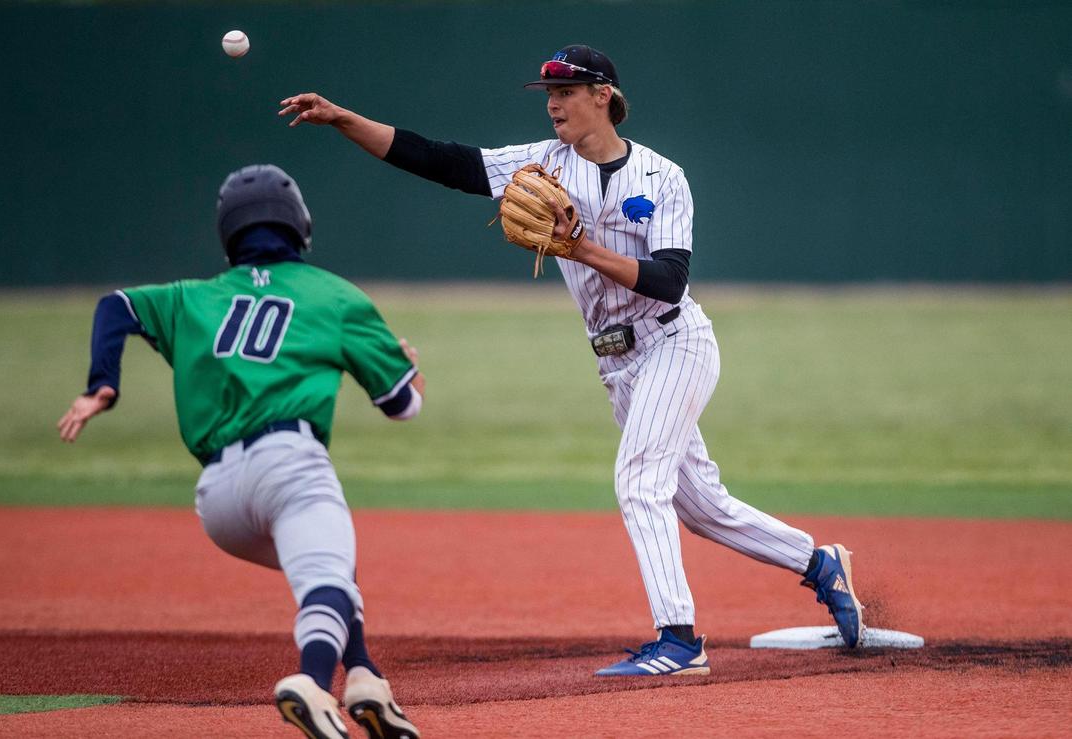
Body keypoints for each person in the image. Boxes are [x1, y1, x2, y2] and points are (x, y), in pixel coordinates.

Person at [277, 44, 866, 676]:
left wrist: (580, 247)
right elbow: (438, 160)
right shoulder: (541, 165)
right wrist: (344, 119)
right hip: (617, 363)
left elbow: (669, 280)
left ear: (604, 97)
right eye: (547, 92)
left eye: (567, 91)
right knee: (701, 508)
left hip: (674, 340)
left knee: (640, 483)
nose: (553, 102)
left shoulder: (663, 177)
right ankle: (818, 562)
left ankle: (679, 640)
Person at [57, 164, 423, 737]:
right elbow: (402, 405)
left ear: (228, 233)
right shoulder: (334, 295)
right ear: (301, 224)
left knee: (328, 568)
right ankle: (310, 681)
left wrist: (102, 383)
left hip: (218, 502)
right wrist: (409, 369)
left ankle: (366, 677)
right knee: (327, 569)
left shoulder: (193, 298)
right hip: (289, 464)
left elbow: (116, 305)